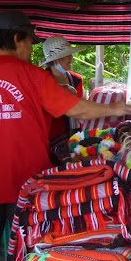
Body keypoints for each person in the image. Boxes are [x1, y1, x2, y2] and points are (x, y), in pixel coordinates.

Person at [0, 10, 131, 261]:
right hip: (26, 184)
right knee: (30, 254)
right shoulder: (34, 76)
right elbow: (77, 108)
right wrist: (118, 109)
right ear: (16, 39)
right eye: (29, 43)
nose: (30, 49)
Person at [39, 36, 86, 165]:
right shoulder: (40, 81)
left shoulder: (77, 80)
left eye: (70, 54)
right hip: (50, 141)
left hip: (75, 136)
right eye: (66, 55)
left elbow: (79, 109)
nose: (71, 58)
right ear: (55, 60)